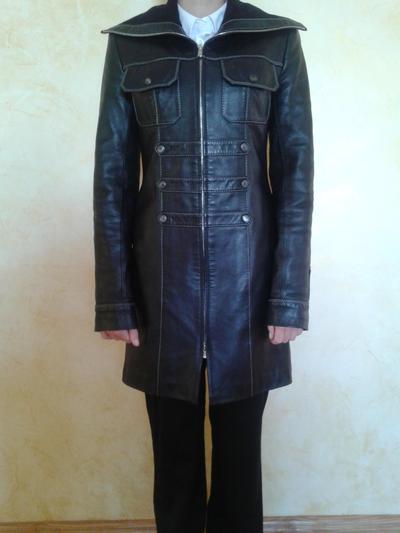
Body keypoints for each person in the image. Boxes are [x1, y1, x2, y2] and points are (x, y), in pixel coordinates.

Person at [92, 0, 314, 531]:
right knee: (173, 461)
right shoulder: (131, 41)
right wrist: (116, 298)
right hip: (161, 285)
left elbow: (296, 177)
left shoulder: (276, 39)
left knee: (240, 462)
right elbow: (111, 179)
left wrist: (288, 296)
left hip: (249, 285)